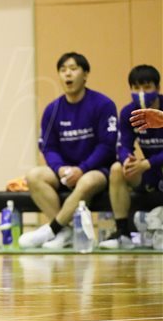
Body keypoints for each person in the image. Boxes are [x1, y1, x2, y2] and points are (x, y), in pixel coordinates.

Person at [20, 53, 117, 249]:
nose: (67, 74)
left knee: (87, 181)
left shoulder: (103, 104)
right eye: (63, 70)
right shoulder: (52, 109)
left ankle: (52, 229)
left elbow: (107, 145)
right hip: (64, 171)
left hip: (96, 170)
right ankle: (65, 232)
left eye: (73, 69)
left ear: (85, 74)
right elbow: (48, 147)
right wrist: (60, 169)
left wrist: (82, 169)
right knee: (34, 176)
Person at [102, 65, 163, 249]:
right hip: (149, 173)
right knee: (116, 169)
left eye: (147, 87)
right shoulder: (129, 112)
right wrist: (127, 159)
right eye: (136, 88)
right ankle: (123, 233)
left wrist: (148, 163)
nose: (141, 93)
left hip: (153, 165)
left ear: (158, 88)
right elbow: (123, 145)